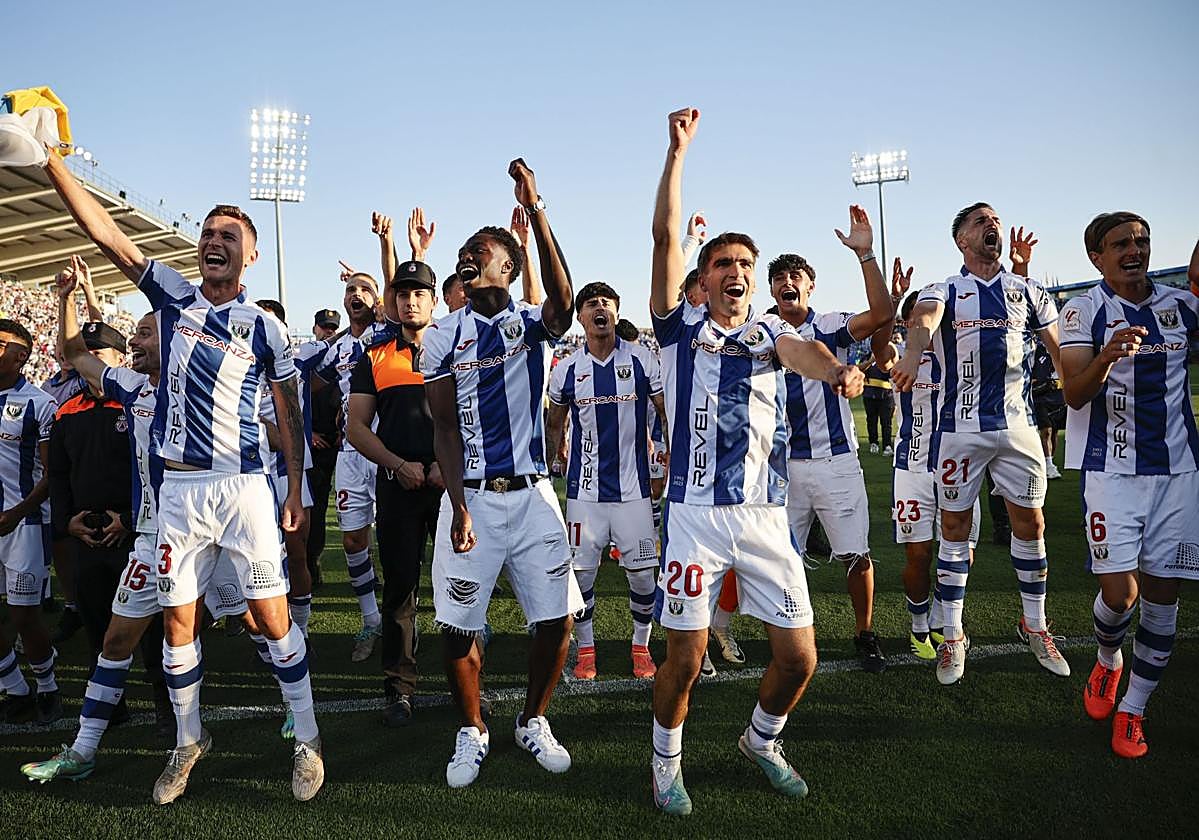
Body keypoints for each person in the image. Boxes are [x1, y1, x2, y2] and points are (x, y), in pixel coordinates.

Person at [45, 149, 323, 803]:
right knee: (177, 624)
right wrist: (53, 161)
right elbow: (104, 233)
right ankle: (187, 742)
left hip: (244, 486)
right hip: (179, 492)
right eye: (206, 233)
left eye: (228, 235)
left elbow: (287, 411)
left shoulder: (265, 326)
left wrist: (292, 491)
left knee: (272, 618)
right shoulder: (170, 296)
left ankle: (307, 739)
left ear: (250, 256)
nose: (212, 242)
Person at [648, 107, 863, 815]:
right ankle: (666, 764)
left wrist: (834, 371)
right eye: (722, 264)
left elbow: (802, 351)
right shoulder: (677, 330)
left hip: (766, 516)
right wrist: (677, 154)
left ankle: (760, 740)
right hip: (694, 517)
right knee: (681, 659)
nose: (735, 271)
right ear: (703, 281)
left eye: (744, 263)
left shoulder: (772, 331)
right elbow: (661, 236)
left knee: (798, 657)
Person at [20, 261, 251, 783]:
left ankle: (294, 716)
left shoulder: (199, 389)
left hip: (214, 527)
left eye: (147, 333)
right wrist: (70, 299)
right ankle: (86, 750)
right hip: (154, 538)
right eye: (137, 334)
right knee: (118, 641)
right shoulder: (133, 389)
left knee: (258, 622)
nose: (136, 342)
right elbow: (77, 354)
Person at [421, 158, 582, 789]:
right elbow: (440, 427)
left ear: (507, 268)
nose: (465, 257)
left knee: (558, 621)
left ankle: (532, 720)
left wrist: (536, 209)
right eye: (461, 252)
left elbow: (565, 301)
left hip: (536, 494)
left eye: (478, 251)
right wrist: (459, 505)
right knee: (459, 625)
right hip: (475, 502)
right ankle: (472, 729)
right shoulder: (442, 336)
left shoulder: (527, 323)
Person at [892, 203, 1069, 685]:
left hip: (1018, 428)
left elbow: (1058, 348)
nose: (992, 225)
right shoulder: (943, 289)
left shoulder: (1029, 291)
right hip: (960, 432)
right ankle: (953, 635)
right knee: (954, 530)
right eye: (980, 222)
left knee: (1030, 524)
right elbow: (924, 320)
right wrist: (913, 352)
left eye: (995, 219)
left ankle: (1035, 624)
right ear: (962, 241)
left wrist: (1079, 379)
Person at [1060, 211, 1199, 759]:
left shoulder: (1181, 306)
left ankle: (1134, 709)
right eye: (1120, 243)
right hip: (1111, 473)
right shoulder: (1083, 310)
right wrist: (1108, 355)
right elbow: (1073, 392)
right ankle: (1109, 658)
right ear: (1096, 255)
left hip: (1179, 474)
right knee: (1121, 594)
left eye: (1141, 241)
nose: (1134, 250)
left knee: (1164, 601)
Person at [767, 206, 895, 674]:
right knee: (781, 560)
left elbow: (882, 314)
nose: (787, 282)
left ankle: (865, 632)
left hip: (836, 460)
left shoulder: (829, 325)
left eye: (795, 275)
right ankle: (795, 636)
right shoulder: (763, 332)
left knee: (855, 554)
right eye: (779, 277)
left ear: (809, 285)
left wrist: (865, 256)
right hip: (781, 468)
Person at [546, 281, 667, 681]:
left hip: (633, 494)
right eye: (592, 304)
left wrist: (669, 450)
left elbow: (663, 410)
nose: (600, 308)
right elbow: (555, 422)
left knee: (643, 575)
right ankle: (586, 649)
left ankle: (640, 646)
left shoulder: (640, 360)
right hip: (585, 493)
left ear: (616, 313)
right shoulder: (567, 369)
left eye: (607, 303)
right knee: (580, 576)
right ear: (580, 317)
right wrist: (553, 456)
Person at [871, 258, 980, 660]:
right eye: (915, 315)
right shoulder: (901, 355)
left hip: (961, 466)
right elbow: (878, 348)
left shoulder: (966, 357)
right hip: (913, 469)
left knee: (963, 552)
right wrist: (896, 297)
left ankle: (944, 620)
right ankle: (919, 626)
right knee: (918, 555)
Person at [347, 259, 440, 727]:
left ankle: (469, 683)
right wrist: (399, 465)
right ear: (394, 302)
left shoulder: (456, 351)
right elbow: (355, 428)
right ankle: (399, 687)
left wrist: (449, 465)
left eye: (419, 292)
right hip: (397, 487)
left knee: (462, 588)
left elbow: (475, 417)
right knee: (401, 589)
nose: (410, 300)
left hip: (452, 488)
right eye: (403, 293)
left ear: (434, 299)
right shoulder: (375, 357)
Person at [48, 312, 133, 678]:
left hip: (134, 534)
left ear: (120, 360)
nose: (91, 360)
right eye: (86, 352)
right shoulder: (66, 411)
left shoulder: (138, 404)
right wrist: (68, 522)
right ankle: (111, 704)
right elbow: (58, 474)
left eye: (100, 353)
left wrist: (129, 519)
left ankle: (167, 708)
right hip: (86, 532)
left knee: (150, 625)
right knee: (96, 622)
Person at [314, 269, 387, 661]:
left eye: (365, 289)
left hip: (390, 450)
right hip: (350, 456)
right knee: (353, 540)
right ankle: (371, 619)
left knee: (400, 540)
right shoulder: (335, 348)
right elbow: (304, 383)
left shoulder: (388, 333)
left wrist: (388, 246)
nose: (355, 294)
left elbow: (395, 290)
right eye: (349, 290)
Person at [0, 319, 61, 725]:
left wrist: (17, 512)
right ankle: (15, 689)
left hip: (24, 525)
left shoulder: (39, 403)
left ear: (21, 356)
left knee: (24, 616)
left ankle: (48, 687)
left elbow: (53, 472)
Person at [305, 308, 341, 588]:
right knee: (314, 509)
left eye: (332, 328)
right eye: (324, 327)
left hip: (342, 442)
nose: (328, 331)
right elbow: (296, 401)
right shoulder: (308, 359)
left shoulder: (340, 359)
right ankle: (309, 564)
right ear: (315, 328)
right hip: (314, 445)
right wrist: (309, 433)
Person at [1030, 337, 1065, 479]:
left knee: (1055, 431)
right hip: (1041, 396)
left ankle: (1049, 462)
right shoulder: (1037, 350)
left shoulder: (1060, 350)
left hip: (1058, 395)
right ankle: (1048, 464)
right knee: (1046, 431)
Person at [861, 358, 894, 455]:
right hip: (869, 395)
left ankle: (887, 446)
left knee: (886, 422)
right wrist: (870, 361)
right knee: (871, 421)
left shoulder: (888, 357)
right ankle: (873, 443)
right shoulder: (866, 357)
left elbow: (891, 375)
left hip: (886, 395)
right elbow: (861, 370)